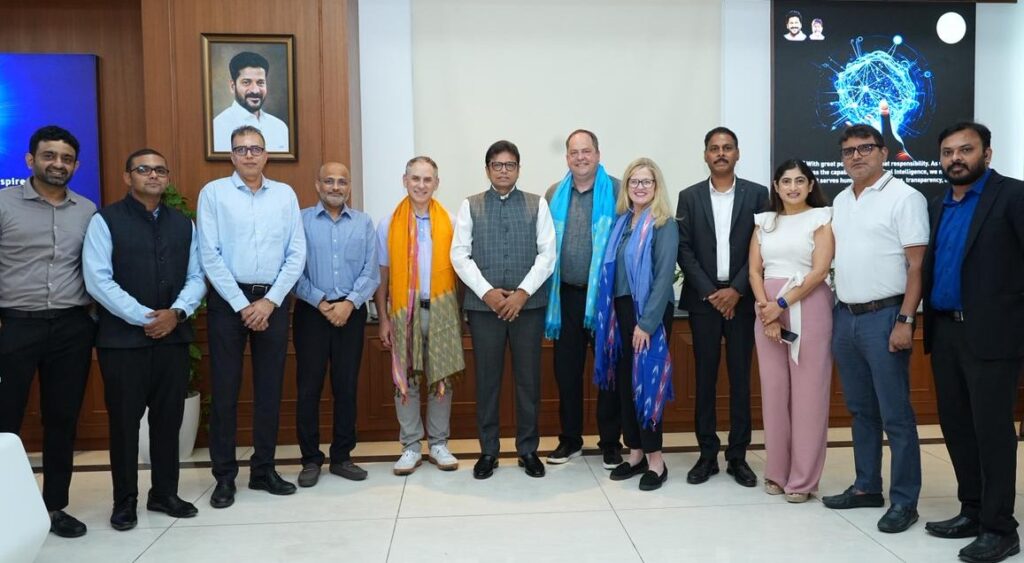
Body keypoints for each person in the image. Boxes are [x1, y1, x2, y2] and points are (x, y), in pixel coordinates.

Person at [82, 149, 206, 530]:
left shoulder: (183, 224)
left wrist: (177, 313)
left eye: (159, 170)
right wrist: (145, 317)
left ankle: (164, 493)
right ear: (127, 177)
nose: (152, 175)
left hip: (172, 338)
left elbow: (198, 275)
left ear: (167, 178)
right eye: (143, 169)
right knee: (124, 424)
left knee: (168, 421)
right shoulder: (105, 220)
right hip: (123, 342)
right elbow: (98, 279)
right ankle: (125, 501)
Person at [922, 122, 1024, 563]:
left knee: (992, 432)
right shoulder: (939, 204)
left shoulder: (1014, 197)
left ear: (988, 152)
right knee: (958, 427)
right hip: (946, 332)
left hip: (994, 336)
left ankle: (1001, 528)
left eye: (966, 150)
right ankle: (973, 510)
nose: (955, 159)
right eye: (947, 152)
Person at [823, 124, 928, 534]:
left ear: (883, 152)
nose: (856, 156)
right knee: (860, 410)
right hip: (845, 317)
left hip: (886, 317)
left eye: (865, 148)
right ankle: (867, 487)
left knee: (896, 415)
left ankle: (905, 501)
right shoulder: (841, 200)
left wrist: (905, 320)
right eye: (848, 151)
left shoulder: (906, 197)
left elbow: (917, 267)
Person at [198, 125, 306, 508]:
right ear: (231, 156)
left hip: (273, 302)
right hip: (229, 303)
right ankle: (224, 477)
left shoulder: (285, 195)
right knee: (225, 392)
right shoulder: (213, 194)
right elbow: (208, 254)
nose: (248, 155)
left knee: (269, 391)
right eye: (241, 149)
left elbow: (297, 252)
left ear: (266, 154)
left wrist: (270, 302)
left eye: (255, 148)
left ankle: (263, 471)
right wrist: (242, 304)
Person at [0, 125, 97, 538]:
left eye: (66, 158)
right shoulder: (3, 205)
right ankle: (5, 510)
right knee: (5, 421)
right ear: (30, 160)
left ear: (75, 164)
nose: (58, 164)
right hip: (15, 325)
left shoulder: (87, 209)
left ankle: (54, 507)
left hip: (71, 329)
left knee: (62, 419)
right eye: (49, 156)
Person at [450, 140, 556, 480]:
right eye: (497, 165)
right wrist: (488, 294)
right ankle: (488, 452)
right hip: (484, 311)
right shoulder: (470, 206)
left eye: (510, 165)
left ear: (518, 169)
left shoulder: (537, 205)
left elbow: (547, 255)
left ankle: (528, 451)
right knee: (488, 383)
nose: (504, 170)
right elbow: (459, 255)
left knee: (528, 382)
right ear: (488, 170)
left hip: (529, 307)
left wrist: (522, 294)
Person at [676, 126, 768, 488]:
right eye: (714, 148)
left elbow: (762, 246)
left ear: (737, 153)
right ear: (705, 155)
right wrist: (711, 292)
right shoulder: (690, 197)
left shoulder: (758, 195)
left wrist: (737, 290)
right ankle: (706, 455)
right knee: (705, 379)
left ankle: (738, 457)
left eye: (727, 147)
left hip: (743, 301)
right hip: (704, 302)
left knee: (741, 379)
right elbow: (684, 248)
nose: (720, 153)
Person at [748, 159, 834, 504]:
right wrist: (767, 311)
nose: (793, 187)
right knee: (774, 393)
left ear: (810, 185)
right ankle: (777, 472)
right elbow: (754, 271)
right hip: (765, 309)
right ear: (776, 185)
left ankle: (802, 479)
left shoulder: (821, 218)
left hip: (808, 306)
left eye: (800, 181)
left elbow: (819, 271)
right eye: (786, 181)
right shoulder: (764, 222)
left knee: (809, 395)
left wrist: (780, 306)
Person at [374, 156, 463, 476]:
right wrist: (383, 318)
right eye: (416, 179)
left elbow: (461, 271)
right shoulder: (388, 224)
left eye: (428, 179)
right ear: (405, 180)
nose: (421, 185)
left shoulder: (451, 221)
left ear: (436, 183)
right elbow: (381, 277)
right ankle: (410, 446)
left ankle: (438, 444)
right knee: (406, 380)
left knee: (441, 377)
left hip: (441, 310)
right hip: (403, 311)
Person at [593, 158, 678, 491]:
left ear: (656, 187)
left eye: (646, 182)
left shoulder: (664, 224)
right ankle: (636, 453)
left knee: (648, 384)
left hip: (649, 315)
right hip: (620, 313)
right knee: (627, 386)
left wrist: (646, 324)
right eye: (634, 182)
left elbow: (662, 279)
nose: (640, 187)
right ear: (626, 187)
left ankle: (657, 461)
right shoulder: (621, 224)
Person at [294, 162, 379, 487]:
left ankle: (342, 456)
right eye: (328, 181)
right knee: (308, 388)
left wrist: (348, 304)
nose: (335, 186)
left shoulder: (363, 223)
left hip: (350, 313)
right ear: (318, 185)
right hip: (311, 314)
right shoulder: (300, 221)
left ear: (349, 187)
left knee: (346, 388)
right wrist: (320, 301)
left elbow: (371, 273)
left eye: (342, 181)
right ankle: (310, 459)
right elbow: (292, 270)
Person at [543, 129, 622, 469]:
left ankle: (610, 442)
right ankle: (570, 440)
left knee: (609, 373)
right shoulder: (553, 194)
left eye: (586, 151)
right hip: (566, 299)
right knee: (567, 372)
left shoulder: (618, 191)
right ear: (566, 158)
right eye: (573, 152)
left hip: (606, 300)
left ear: (598, 154)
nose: (580, 158)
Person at [212, 51, 289, 152]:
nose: (255, 90)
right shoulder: (217, 128)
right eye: (246, 82)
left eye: (260, 82)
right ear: (232, 86)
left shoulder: (280, 127)